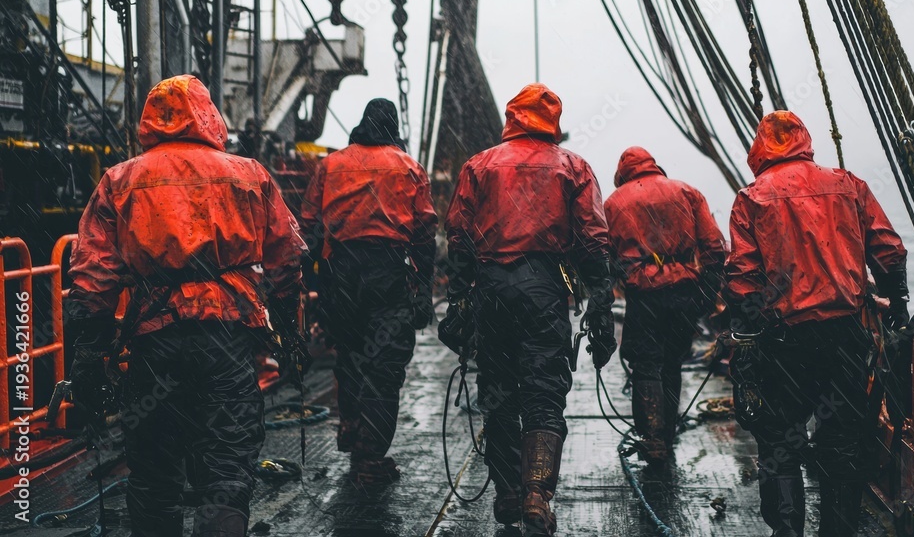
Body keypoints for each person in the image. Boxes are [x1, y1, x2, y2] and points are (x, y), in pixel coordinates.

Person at [66, 75, 306, 537]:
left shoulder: (121, 179)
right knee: (227, 464)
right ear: (208, 113)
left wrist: (89, 353)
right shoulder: (248, 174)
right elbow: (287, 255)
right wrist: (288, 327)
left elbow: (92, 273)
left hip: (155, 340)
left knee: (154, 468)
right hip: (227, 338)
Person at [442, 83, 617, 536]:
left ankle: (506, 492)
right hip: (543, 287)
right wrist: (600, 300)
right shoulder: (572, 167)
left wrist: (459, 296)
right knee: (543, 390)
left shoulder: (479, 165)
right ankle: (537, 495)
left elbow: (458, 234)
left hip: (492, 287)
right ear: (552, 120)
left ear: (512, 117)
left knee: (499, 392)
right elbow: (593, 238)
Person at [723, 111, 908, 537]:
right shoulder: (847, 184)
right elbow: (889, 249)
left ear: (760, 147)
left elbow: (744, 278)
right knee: (843, 441)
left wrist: (746, 346)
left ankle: (787, 530)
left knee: (780, 441)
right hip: (845, 336)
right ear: (804, 140)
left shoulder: (752, 197)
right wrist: (897, 302)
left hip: (785, 342)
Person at [300, 98, 438, 484]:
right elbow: (425, 234)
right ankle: (369, 457)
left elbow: (308, 226)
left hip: (339, 272)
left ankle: (350, 425)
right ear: (392, 127)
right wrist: (423, 289)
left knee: (349, 356)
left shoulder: (331, 164)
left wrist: (312, 286)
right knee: (384, 367)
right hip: (386, 273)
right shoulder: (408, 167)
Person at [603, 146, 726, 465]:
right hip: (685, 291)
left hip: (644, 296)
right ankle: (667, 434)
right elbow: (714, 246)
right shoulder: (687, 192)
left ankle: (652, 440)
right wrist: (708, 290)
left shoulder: (615, 202)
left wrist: (619, 276)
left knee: (645, 364)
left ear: (623, 173)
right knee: (672, 362)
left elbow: (604, 254)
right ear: (653, 166)